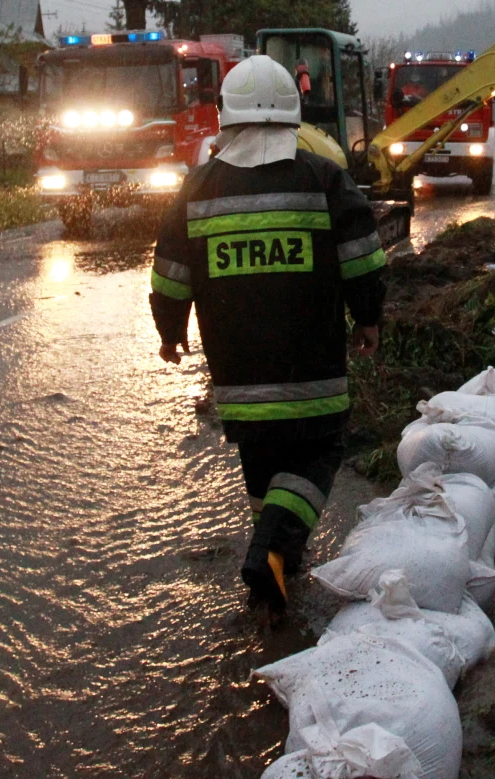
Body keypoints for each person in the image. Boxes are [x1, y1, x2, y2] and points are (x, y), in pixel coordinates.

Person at [149, 55, 385, 614]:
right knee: (320, 450)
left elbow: (168, 274)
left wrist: (170, 333)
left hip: (237, 380)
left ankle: (278, 569)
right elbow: (362, 259)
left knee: (263, 467)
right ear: (292, 117)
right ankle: (272, 554)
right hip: (313, 374)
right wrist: (369, 317)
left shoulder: (196, 189)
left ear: (225, 120)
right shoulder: (324, 178)